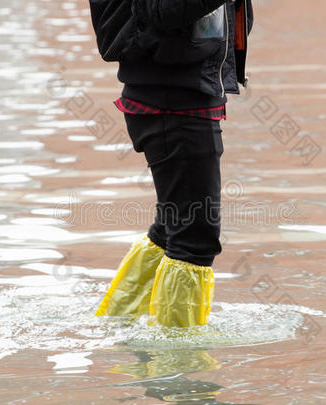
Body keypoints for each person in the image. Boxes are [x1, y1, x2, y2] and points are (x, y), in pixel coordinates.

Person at [95, 0, 254, 327]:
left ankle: (120, 322)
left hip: (182, 95)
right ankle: (179, 362)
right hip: (173, 102)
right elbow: (163, 12)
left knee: (172, 229)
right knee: (194, 241)